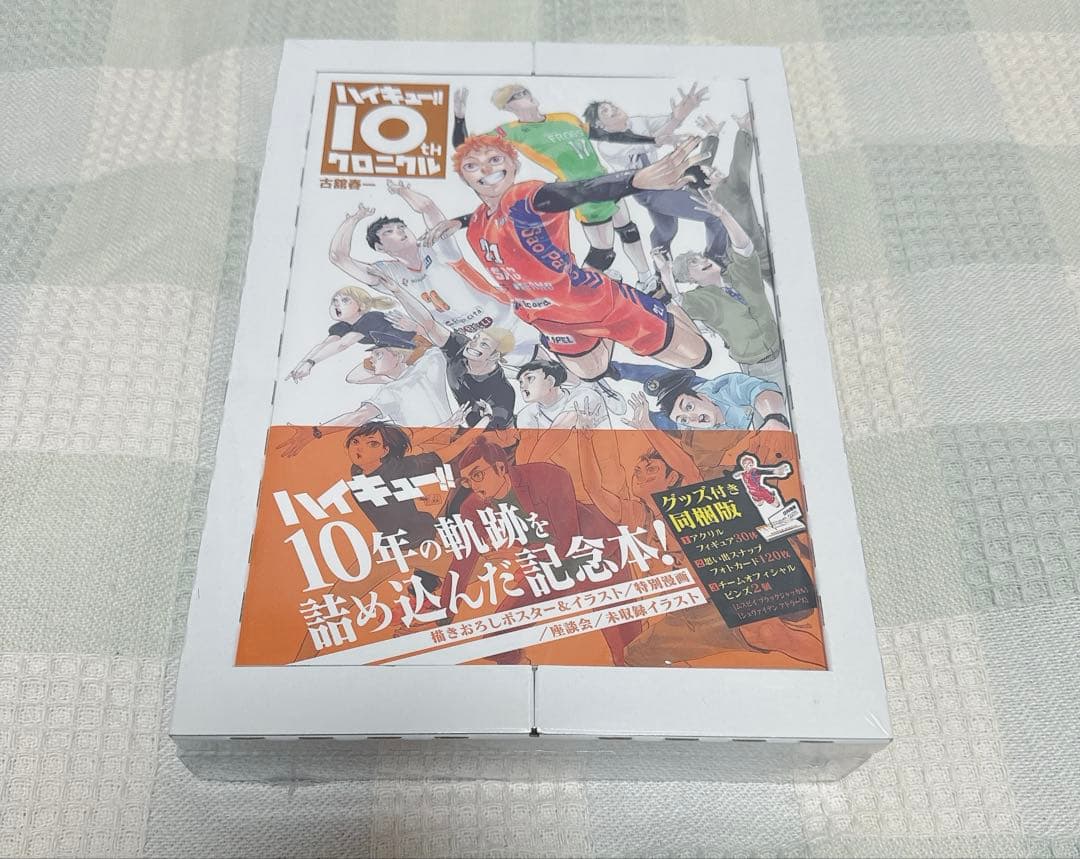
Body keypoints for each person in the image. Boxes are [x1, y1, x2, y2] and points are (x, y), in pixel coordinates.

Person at [420, 133, 713, 384]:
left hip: (598, 304)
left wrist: (634, 180)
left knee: (698, 357)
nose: (485, 168)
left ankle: (661, 298)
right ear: (466, 178)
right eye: (472, 165)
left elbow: (578, 191)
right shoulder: (477, 222)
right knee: (591, 373)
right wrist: (459, 221)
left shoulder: (524, 197)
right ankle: (613, 296)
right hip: (552, 321)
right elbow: (492, 219)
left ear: (514, 165)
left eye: (495, 159)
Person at [575, 396, 824, 667]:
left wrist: (647, 426)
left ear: (671, 478)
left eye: (651, 469)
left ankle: (830, 667)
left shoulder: (690, 496)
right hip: (690, 613)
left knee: (766, 633)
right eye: (638, 471)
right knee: (635, 656)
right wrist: (584, 440)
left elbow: (688, 469)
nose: (641, 475)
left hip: (732, 593)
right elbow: (594, 490)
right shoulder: (639, 515)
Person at [450, 437, 640, 665]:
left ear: (500, 468)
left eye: (478, 475)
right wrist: (444, 614)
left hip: (595, 552)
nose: (473, 485)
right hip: (549, 566)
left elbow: (568, 542)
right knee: (496, 640)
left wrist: (520, 555)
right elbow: (464, 558)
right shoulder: (473, 507)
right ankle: (518, 670)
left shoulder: (547, 476)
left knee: (629, 651)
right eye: (467, 480)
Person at [452, 84, 654, 288]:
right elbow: (467, 149)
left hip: (607, 181)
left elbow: (606, 135)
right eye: (517, 96)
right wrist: (459, 118)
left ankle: (646, 278)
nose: (525, 95)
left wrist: (652, 139)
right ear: (508, 107)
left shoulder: (565, 117)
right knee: (603, 253)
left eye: (524, 91)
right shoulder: (512, 131)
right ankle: (581, 288)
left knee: (628, 230)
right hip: (582, 192)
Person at [327, 181, 536, 361]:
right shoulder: (388, 273)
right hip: (478, 342)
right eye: (389, 231)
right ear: (380, 247)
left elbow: (428, 208)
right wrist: (353, 219)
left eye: (401, 227)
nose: (400, 231)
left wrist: (402, 191)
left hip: (511, 319)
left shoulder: (434, 245)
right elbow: (338, 257)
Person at [583, 90, 729, 266]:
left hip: (665, 180)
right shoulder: (607, 146)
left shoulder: (638, 122)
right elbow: (649, 142)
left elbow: (669, 121)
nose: (613, 108)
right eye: (605, 111)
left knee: (666, 230)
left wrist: (680, 114)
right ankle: (716, 259)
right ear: (600, 124)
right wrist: (670, 126)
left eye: (611, 105)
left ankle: (662, 270)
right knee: (715, 215)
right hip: (647, 191)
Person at [664, 192, 785, 395]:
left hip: (784, 348)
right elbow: (676, 304)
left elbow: (744, 248)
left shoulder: (740, 273)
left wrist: (723, 215)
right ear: (689, 278)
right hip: (759, 369)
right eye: (694, 262)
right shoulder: (699, 299)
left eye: (700, 257)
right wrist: (666, 274)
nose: (703, 260)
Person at [275, 330, 462, 458]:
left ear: (399, 356)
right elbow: (353, 380)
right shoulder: (429, 363)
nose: (371, 360)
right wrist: (383, 364)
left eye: (378, 354)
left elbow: (357, 414)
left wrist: (316, 432)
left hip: (432, 450)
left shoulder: (391, 391)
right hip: (447, 443)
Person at [377, 268, 518, 429]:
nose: (473, 343)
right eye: (476, 338)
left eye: (484, 344)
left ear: (494, 356)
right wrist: (397, 291)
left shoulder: (502, 393)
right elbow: (429, 324)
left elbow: (495, 433)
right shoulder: (460, 347)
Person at [285, 285, 412, 382]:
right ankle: (397, 378)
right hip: (388, 352)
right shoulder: (343, 326)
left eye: (345, 300)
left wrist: (311, 363)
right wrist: (302, 365)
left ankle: (402, 376)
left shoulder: (370, 318)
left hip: (409, 347)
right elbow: (324, 345)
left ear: (361, 306)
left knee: (366, 373)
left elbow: (343, 344)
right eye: (334, 300)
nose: (337, 304)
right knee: (354, 377)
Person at [645, 367, 789, 431]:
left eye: (689, 407)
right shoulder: (691, 432)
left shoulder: (722, 388)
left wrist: (774, 418)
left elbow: (760, 390)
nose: (692, 418)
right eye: (684, 419)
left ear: (703, 396)